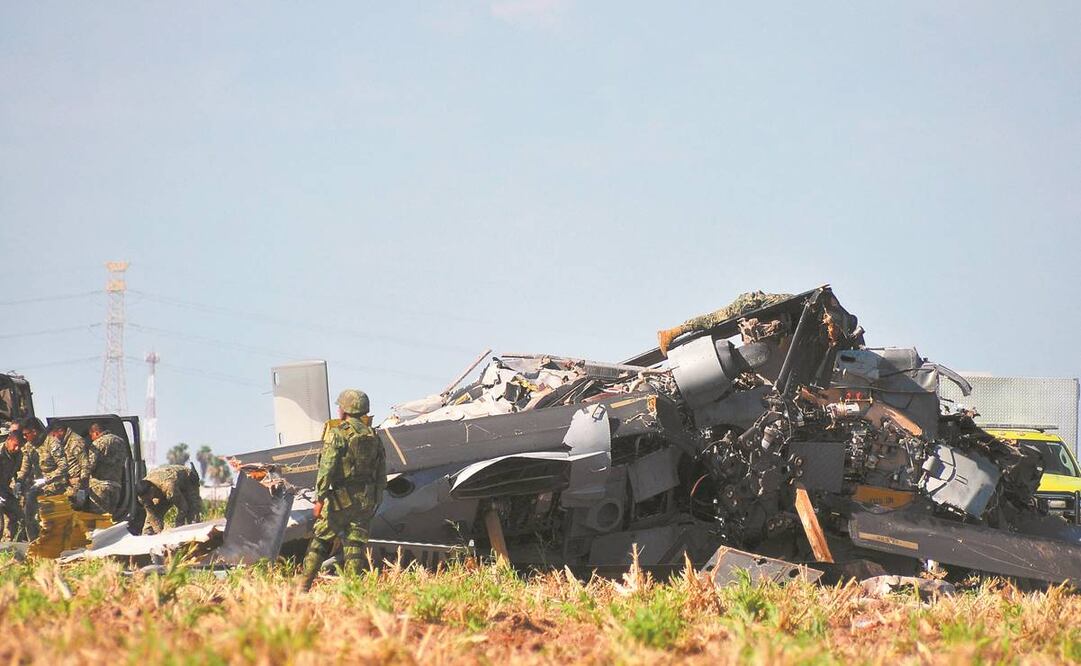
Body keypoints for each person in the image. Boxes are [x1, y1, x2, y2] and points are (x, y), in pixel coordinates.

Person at [298, 389, 386, 591]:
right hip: (365, 499)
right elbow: (381, 469)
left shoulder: (338, 434)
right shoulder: (373, 436)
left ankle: (303, 586)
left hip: (340, 499)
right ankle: (353, 590)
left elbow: (326, 468)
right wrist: (377, 496)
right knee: (355, 545)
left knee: (320, 540)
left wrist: (319, 499)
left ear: (345, 410)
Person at [136, 464, 203, 534]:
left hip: (187, 480)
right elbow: (152, 514)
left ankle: (193, 532)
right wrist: (158, 531)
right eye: (145, 498)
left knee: (192, 508)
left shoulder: (169, 487)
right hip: (163, 488)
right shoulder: (142, 495)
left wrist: (178, 528)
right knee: (155, 513)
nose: (148, 500)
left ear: (152, 489)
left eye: (148, 497)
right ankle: (147, 535)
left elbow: (183, 508)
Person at [39, 422, 92, 508]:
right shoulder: (62, 443)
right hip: (66, 483)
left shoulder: (76, 442)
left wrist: (82, 489)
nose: (53, 439)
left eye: (53, 435)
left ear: (61, 431)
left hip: (76, 485)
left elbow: (85, 465)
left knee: (71, 511)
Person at [87, 422, 128, 515]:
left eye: (91, 436)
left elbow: (90, 465)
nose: (91, 438)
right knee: (110, 520)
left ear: (96, 433)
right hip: (116, 487)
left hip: (100, 487)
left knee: (100, 520)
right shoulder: (120, 441)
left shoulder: (98, 442)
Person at [0, 426, 24, 540]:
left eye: (19, 445)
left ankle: (10, 543)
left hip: (5, 489)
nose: (17, 448)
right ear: (8, 440)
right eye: (15, 445)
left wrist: (17, 485)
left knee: (17, 514)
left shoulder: (18, 454)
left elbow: (17, 472)